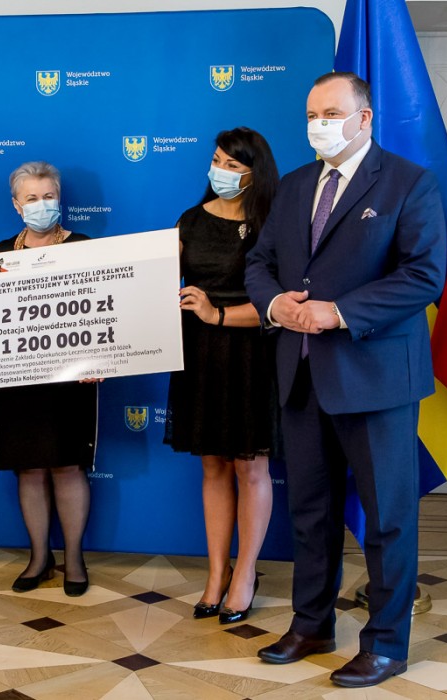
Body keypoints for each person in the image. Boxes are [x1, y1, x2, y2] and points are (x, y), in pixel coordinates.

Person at [245, 72, 446, 687]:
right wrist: (274, 304)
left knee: (387, 520)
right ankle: (311, 625)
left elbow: (423, 275)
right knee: (311, 512)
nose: (318, 125)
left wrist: (340, 312)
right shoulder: (294, 185)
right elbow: (259, 263)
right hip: (302, 375)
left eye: (331, 113)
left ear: (365, 118)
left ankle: (386, 644)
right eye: (312, 114)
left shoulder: (410, 182)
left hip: (375, 379)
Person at [165, 127, 279, 624]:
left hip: (251, 354)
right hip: (199, 354)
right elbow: (148, 282)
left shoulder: (273, 223)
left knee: (250, 468)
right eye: (217, 161)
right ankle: (216, 573)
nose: (222, 172)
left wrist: (217, 314)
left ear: (255, 173)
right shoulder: (190, 220)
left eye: (234, 165)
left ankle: (246, 574)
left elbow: (278, 305)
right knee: (212, 466)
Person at [0, 161, 97, 597]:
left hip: (71, 379)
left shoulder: (84, 247)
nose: (40, 205)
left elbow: (102, 309)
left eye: (48, 196)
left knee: (67, 466)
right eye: (31, 198)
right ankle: (39, 558)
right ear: (17, 206)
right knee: (29, 469)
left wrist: (98, 359)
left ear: (60, 199)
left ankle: (74, 559)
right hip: (17, 381)